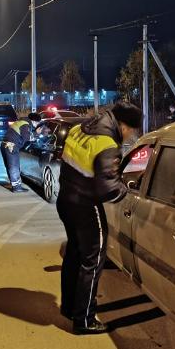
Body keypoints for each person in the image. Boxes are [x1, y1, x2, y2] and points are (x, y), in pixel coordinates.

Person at [57, 101, 141, 335]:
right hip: (86, 207)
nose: (130, 136)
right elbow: (108, 190)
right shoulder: (107, 144)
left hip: (65, 200)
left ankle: (70, 307)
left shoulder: (81, 128)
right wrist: (128, 190)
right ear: (124, 126)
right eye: (132, 131)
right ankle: (84, 319)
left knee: (75, 253)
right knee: (93, 260)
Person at [0, 112, 41, 192]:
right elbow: (27, 137)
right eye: (38, 122)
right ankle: (17, 188)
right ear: (34, 121)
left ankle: (14, 184)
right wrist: (37, 133)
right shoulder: (25, 124)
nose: (38, 124)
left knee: (10, 166)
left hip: (5, 145)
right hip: (11, 146)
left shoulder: (20, 121)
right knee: (14, 166)